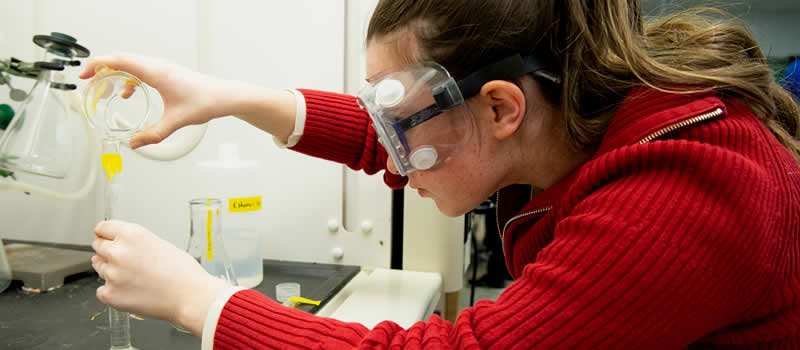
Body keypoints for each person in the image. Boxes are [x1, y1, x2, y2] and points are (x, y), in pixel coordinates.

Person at [83, 0, 800, 348]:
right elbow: (422, 134)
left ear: (501, 108)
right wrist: (223, 97)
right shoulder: (566, 120)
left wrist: (201, 303)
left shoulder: (682, 194)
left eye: (399, 115)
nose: (389, 148)